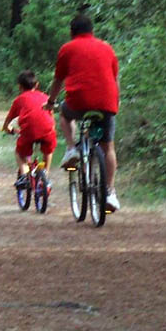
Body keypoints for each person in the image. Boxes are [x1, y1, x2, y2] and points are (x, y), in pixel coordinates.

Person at [42, 14, 121, 212]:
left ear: (72, 32)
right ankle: (110, 192)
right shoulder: (107, 47)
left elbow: (58, 80)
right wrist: (114, 102)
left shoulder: (67, 49)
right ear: (92, 31)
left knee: (65, 114)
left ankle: (71, 149)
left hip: (78, 103)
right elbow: (115, 78)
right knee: (108, 147)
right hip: (107, 103)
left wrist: (51, 102)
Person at [1, 70, 57, 191]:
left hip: (29, 132)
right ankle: (45, 177)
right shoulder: (45, 97)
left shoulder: (19, 100)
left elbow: (9, 119)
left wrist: (7, 128)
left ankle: (25, 176)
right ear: (36, 85)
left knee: (20, 153)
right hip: (47, 130)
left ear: (20, 87)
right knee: (48, 151)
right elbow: (51, 115)